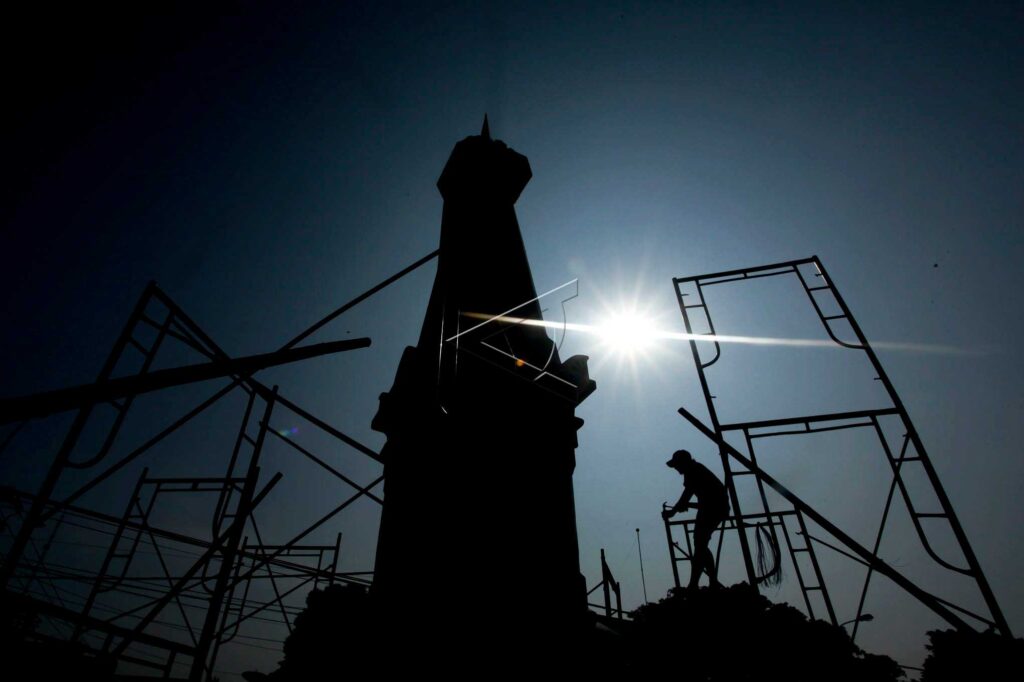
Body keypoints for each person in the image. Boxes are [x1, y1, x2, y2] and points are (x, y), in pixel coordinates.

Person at [662, 449, 730, 592]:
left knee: (700, 543)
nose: (676, 469)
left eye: (677, 465)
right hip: (711, 507)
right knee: (701, 544)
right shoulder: (695, 469)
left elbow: (688, 494)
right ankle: (706, 581)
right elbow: (693, 495)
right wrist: (681, 506)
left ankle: (695, 584)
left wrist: (673, 511)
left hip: (714, 508)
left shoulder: (693, 470)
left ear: (683, 463)